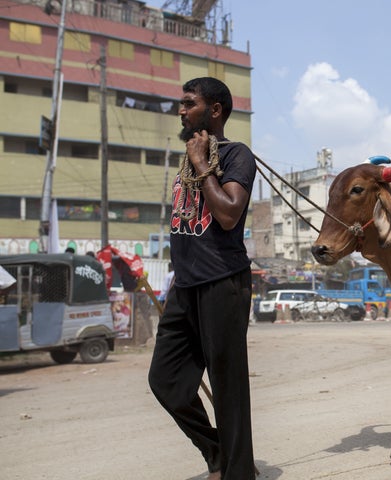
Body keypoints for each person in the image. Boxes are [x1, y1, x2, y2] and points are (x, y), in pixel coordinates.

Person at [148, 77, 257, 480]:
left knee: (228, 388)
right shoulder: (187, 161)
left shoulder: (236, 155)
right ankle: (215, 451)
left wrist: (202, 166)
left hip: (223, 282)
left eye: (189, 103)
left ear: (215, 110)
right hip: (186, 285)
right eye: (181, 102)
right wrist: (194, 162)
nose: (181, 110)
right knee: (164, 379)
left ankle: (238, 472)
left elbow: (228, 214)